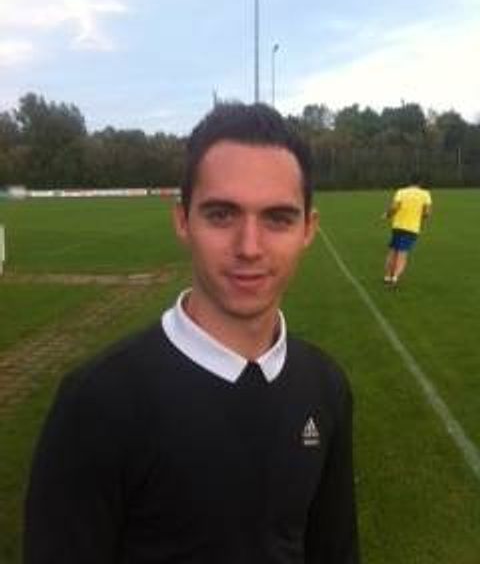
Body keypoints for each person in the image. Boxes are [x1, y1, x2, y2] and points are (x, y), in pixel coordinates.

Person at [24, 102, 359, 563]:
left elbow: (334, 550)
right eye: (221, 215)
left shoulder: (325, 385)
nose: (249, 247)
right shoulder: (97, 401)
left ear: (308, 229)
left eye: (277, 218)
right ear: (183, 221)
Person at [382, 174, 432, 286]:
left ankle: (387, 276)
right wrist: (421, 218)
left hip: (397, 226)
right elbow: (427, 213)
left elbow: (394, 207)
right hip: (412, 228)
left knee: (393, 251)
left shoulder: (401, 192)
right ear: (421, 182)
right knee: (402, 253)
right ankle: (395, 278)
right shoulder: (425, 194)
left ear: (409, 182)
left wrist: (387, 215)